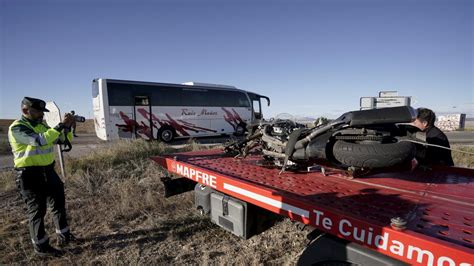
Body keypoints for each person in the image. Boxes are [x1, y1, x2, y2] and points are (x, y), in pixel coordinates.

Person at [8, 97, 78, 257]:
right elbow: (39, 141)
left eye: (42, 112)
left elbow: (61, 140)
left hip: (48, 171)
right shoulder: (17, 128)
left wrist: (68, 129)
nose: (41, 114)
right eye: (38, 111)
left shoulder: (42, 125)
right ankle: (41, 247)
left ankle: (64, 236)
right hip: (29, 174)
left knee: (58, 203)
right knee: (37, 210)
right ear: (25, 111)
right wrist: (60, 125)